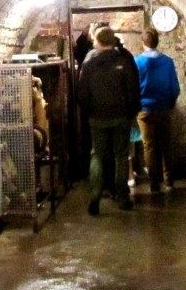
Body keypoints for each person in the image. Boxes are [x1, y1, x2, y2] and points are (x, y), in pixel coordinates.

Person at [77, 26, 140, 214]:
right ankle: (122, 196)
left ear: (97, 41)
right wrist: (131, 112)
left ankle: (95, 196)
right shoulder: (125, 60)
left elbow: (82, 92)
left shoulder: (89, 62)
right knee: (121, 155)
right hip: (121, 116)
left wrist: (87, 113)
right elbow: (133, 89)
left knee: (97, 155)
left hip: (97, 117)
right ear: (113, 40)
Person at [135, 28, 180, 193]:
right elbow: (174, 87)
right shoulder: (167, 61)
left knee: (149, 146)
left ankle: (154, 182)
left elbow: (133, 87)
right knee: (166, 144)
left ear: (143, 43)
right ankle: (169, 179)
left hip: (144, 109)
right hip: (163, 107)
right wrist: (170, 103)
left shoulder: (137, 62)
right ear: (157, 42)